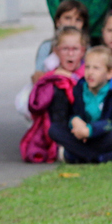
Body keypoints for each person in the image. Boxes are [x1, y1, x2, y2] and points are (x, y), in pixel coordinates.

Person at [49, 45, 112, 163]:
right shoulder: (80, 88)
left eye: (96, 68)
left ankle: (77, 155)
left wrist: (91, 130)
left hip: (104, 135)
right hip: (85, 137)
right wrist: (75, 121)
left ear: (110, 73)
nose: (90, 72)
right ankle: (100, 157)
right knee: (54, 129)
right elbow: (75, 112)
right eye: (87, 67)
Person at [21, 26, 84, 164]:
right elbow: (36, 104)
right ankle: (61, 146)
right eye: (65, 49)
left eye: (75, 49)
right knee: (58, 91)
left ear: (83, 51)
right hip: (57, 126)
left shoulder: (88, 72)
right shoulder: (51, 76)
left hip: (84, 124)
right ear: (56, 51)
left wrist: (71, 78)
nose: (70, 54)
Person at [35, 0, 89, 71]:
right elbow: (38, 77)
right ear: (58, 22)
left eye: (78, 20)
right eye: (67, 18)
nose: (72, 23)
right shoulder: (46, 47)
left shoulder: (89, 50)